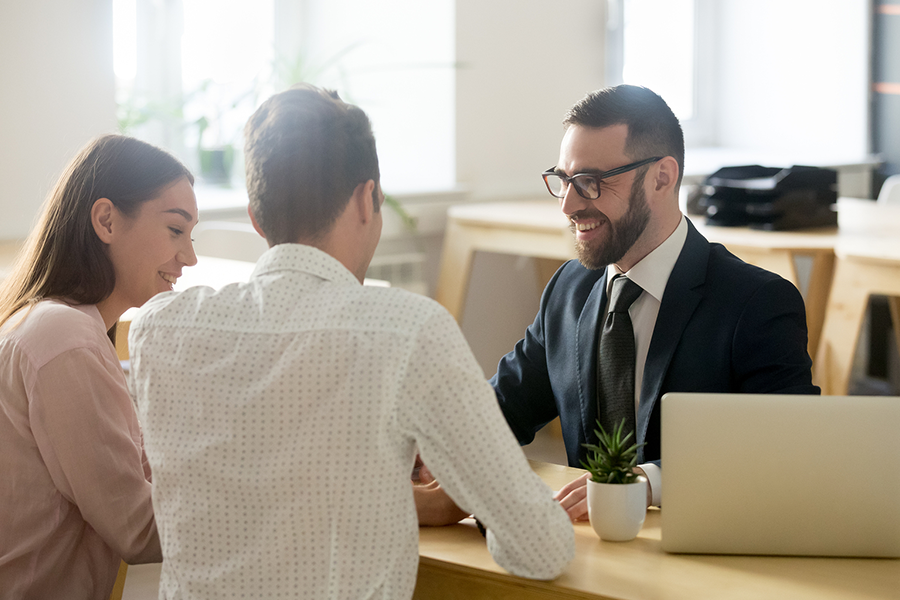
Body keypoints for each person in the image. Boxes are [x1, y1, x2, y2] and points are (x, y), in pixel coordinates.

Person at [128, 84, 573, 600]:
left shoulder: (159, 328)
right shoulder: (409, 331)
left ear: (256, 216)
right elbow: (542, 547)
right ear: (368, 199)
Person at [490, 85, 819, 520]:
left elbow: (788, 445)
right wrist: (424, 456)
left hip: (699, 552)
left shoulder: (757, 303)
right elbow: (499, 410)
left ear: (661, 177)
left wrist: (646, 484)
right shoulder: (569, 290)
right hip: (584, 552)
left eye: (590, 183)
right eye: (564, 181)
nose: (568, 204)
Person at [0, 134, 198, 598]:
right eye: (175, 230)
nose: (189, 257)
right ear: (106, 220)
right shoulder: (64, 338)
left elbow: (143, 471)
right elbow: (140, 529)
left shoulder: (59, 325)